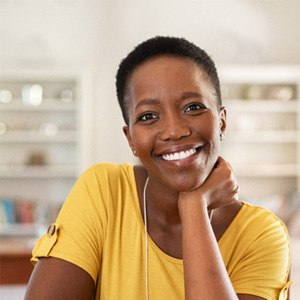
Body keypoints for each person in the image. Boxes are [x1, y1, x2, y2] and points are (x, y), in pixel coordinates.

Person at [25, 36, 291, 300]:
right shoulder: (105, 190)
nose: (174, 131)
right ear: (130, 138)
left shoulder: (262, 235)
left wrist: (194, 206)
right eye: (148, 116)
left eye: (193, 107)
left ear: (221, 122)